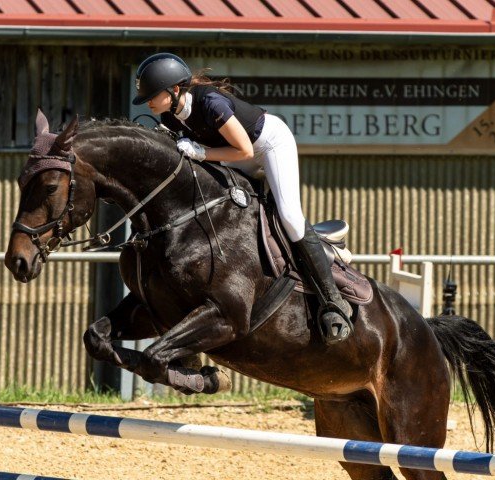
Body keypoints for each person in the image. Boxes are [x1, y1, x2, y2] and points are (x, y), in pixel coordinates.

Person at [132, 52, 353, 344]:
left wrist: (201, 153)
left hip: (268, 145)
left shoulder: (210, 103)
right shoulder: (169, 118)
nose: (147, 101)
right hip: (234, 155)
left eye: (152, 94)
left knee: (288, 216)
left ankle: (333, 301)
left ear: (174, 90)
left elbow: (245, 151)